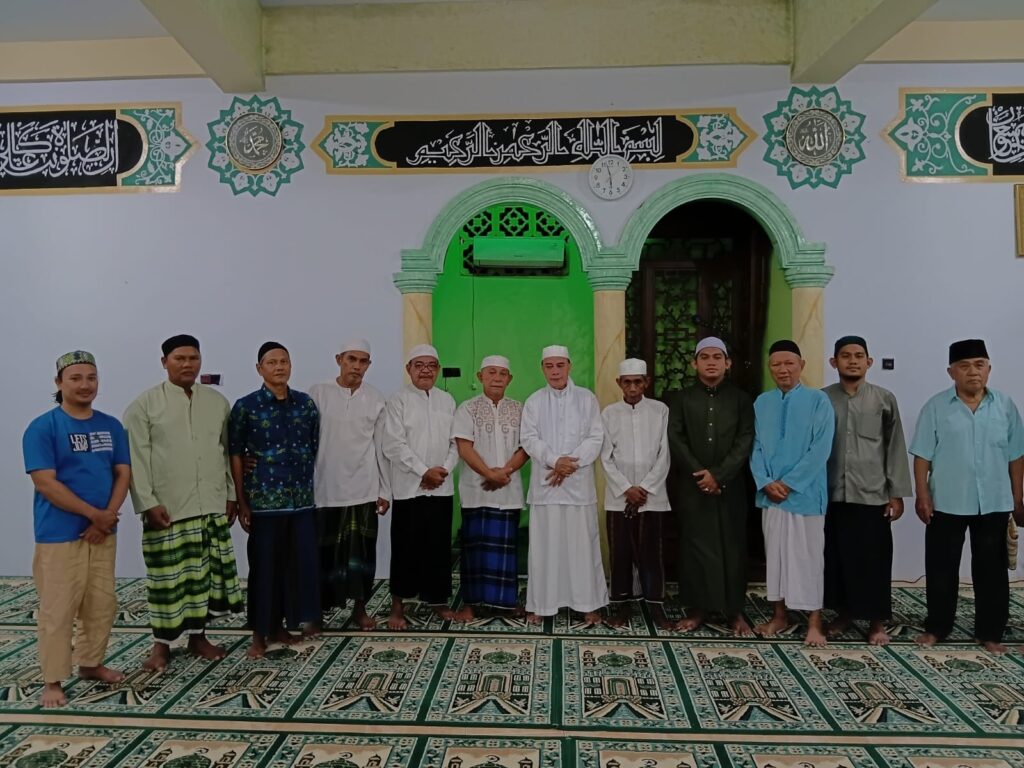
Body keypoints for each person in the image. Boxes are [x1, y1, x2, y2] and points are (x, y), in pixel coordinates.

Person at [123, 335, 244, 671]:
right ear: (164, 362)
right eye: (179, 358)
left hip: (210, 504)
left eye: (193, 358)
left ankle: (198, 638)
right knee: (166, 581)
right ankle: (161, 645)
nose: (187, 364)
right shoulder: (144, 405)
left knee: (203, 577)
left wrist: (231, 495)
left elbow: (226, 453)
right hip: (168, 509)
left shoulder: (217, 402)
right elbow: (135, 459)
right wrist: (148, 503)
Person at [23, 351, 130, 707]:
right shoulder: (43, 428)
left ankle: (90, 663)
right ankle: (53, 680)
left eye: (91, 377)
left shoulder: (111, 426)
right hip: (59, 534)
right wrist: (94, 515)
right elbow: (45, 482)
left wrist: (107, 516)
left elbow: (123, 473)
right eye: (76, 378)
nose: (85, 385)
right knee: (58, 610)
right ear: (59, 383)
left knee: (101, 603)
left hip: (103, 532)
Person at [909, 339, 1024, 654]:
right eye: (964, 366)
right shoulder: (936, 407)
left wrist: (1018, 499)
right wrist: (922, 495)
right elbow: (922, 456)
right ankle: (937, 627)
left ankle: (990, 632)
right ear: (951, 372)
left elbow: (1016, 456)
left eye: (979, 365)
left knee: (992, 571)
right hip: (947, 501)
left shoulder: (1005, 406)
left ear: (989, 369)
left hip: (994, 501)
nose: (973, 372)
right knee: (941, 568)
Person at [228, 342, 320, 658]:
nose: (279, 367)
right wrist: (241, 500)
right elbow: (235, 454)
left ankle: (281, 626)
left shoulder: (305, 404)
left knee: (293, 567)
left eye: (284, 361)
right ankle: (258, 633)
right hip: (264, 503)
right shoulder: (246, 406)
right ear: (259, 369)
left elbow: (313, 446)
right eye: (272, 362)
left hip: (301, 502)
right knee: (264, 568)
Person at [823, 335, 912, 646]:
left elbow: (895, 446)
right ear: (834, 362)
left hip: (872, 494)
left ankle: (876, 621)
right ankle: (844, 614)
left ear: (869, 362)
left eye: (859, 355)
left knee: (874, 560)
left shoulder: (884, 399)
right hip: (833, 492)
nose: (852, 361)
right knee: (838, 558)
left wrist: (896, 493)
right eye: (845, 355)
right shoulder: (823, 399)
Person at [750, 339, 834, 646]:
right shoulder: (762, 403)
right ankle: (779, 615)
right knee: (776, 557)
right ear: (769, 368)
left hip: (805, 496)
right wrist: (765, 481)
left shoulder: (818, 401)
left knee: (809, 558)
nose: (783, 369)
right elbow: (756, 447)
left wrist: (789, 483)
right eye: (776, 364)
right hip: (771, 496)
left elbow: (820, 448)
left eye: (789, 363)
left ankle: (814, 622)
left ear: (802, 365)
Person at [668, 337, 755, 635]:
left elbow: (745, 440)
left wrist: (719, 475)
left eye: (717, 357)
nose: (711, 362)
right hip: (693, 487)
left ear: (728, 363)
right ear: (694, 363)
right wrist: (700, 474)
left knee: (733, 546)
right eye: (704, 357)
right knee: (695, 546)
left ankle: (734, 611)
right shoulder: (682, 399)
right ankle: (698, 609)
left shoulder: (742, 400)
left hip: (731, 486)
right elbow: (676, 438)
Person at [520, 345, 608, 625]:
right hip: (546, 486)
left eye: (560, 365)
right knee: (545, 548)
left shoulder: (586, 399)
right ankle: (541, 604)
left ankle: (588, 604)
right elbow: (529, 438)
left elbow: (595, 437)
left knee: (582, 548)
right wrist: (554, 461)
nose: (555, 371)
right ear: (542, 368)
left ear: (569, 366)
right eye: (549, 366)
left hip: (578, 486)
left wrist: (570, 465)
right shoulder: (534, 401)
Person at [308, 339, 391, 631]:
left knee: (361, 556)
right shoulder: (318, 394)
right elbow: (306, 442)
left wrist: (384, 490)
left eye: (363, 361)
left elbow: (381, 447)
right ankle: (315, 613)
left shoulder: (376, 398)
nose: (357, 366)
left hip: (363, 488)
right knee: (322, 554)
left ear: (369, 365)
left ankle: (359, 609)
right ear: (339, 360)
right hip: (325, 489)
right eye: (351, 359)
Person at [382, 343, 458, 630]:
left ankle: (437, 599)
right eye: (419, 365)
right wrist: (423, 471)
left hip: (441, 486)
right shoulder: (398, 401)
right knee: (406, 547)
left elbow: (456, 443)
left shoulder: (447, 400)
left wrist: (443, 470)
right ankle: (398, 605)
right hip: (409, 488)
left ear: (437, 370)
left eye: (431, 366)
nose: (425, 370)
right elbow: (393, 444)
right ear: (409, 369)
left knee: (438, 546)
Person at [451, 355, 529, 621]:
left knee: (505, 551)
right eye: (491, 372)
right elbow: (464, 447)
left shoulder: (519, 409)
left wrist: (503, 472)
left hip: (508, 489)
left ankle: (505, 603)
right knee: (474, 550)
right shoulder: (467, 408)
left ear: (510, 379)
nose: (497, 378)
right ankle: (471, 604)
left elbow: (526, 447)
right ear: (480, 377)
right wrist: (489, 474)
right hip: (476, 490)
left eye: (502, 373)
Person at [600, 358, 671, 628]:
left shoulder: (660, 410)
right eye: (627, 382)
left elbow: (664, 453)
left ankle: (656, 608)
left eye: (637, 382)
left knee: (652, 553)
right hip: (620, 497)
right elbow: (605, 457)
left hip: (652, 497)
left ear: (646, 383)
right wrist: (626, 488)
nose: (632, 387)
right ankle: (621, 607)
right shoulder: (609, 414)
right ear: (619, 383)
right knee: (620, 553)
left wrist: (645, 488)